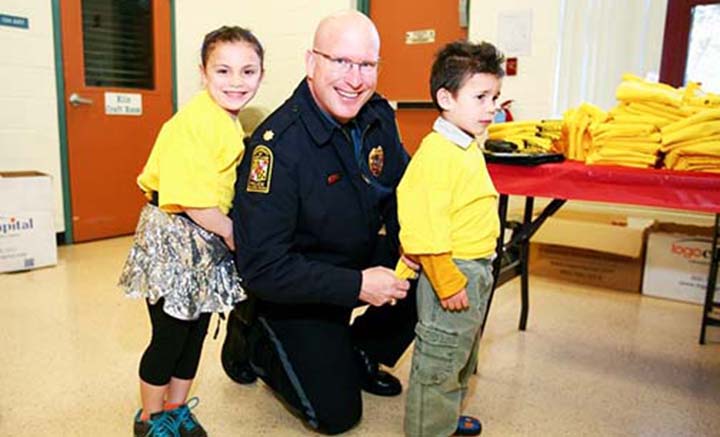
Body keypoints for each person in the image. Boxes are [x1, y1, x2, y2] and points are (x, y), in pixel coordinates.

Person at [220, 10, 418, 435]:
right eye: (340, 61)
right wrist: (358, 285)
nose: (355, 79)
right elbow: (264, 267)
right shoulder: (277, 147)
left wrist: (412, 246)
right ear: (312, 63)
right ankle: (254, 338)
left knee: (443, 267)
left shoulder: (378, 116)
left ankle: (363, 349)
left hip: (354, 254)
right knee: (337, 415)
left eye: (366, 65)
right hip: (295, 287)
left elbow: (403, 192)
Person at [118, 26, 264, 437]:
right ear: (203, 73)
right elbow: (193, 201)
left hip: (204, 239)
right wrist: (236, 235)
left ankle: (177, 407)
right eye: (223, 71)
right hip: (175, 239)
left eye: (247, 71)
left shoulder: (226, 120)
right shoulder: (193, 123)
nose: (236, 82)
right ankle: (150, 417)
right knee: (170, 335)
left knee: (196, 331)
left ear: (261, 75)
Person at [395, 41, 505, 437]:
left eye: (494, 97)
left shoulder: (464, 143)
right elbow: (423, 224)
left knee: (459, 352)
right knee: (439, 357)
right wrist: (445, 278)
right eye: (481, 97)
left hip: (473, 268)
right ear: (446, 98)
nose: (492, 107)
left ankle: (443, 417)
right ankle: (428, 429)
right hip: (452, 271)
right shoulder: (438, 154)